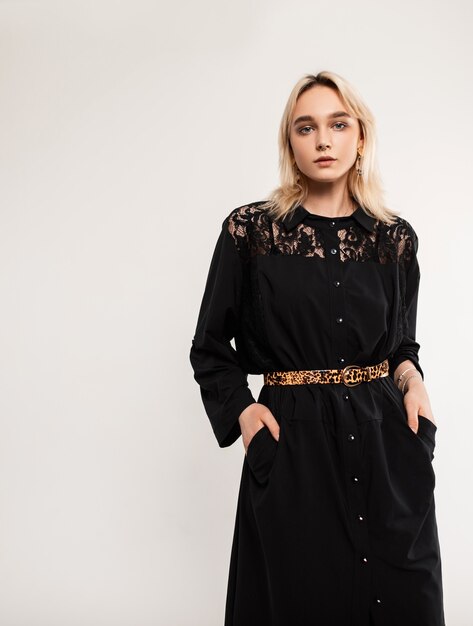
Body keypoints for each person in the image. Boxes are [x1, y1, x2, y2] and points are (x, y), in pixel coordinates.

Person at [189, 70, 445, 626]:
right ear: (290, 143)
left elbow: (402, 343)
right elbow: (209, 346)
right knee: (300, 598)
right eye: (306, 128)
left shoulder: (393, 239)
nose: (323, 140)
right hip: (293, 447)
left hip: (384, 444)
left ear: (360, 138)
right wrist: (244, 412)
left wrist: (414, 383)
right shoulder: (252, 233)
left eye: (337, 124)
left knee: (403, 597)